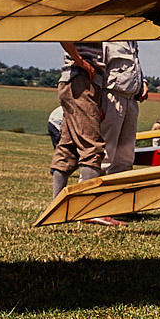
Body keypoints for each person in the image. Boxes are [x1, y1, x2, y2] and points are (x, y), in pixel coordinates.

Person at [51, 42, 110, 206]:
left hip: (80, 80)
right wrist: (80, 61)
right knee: (92, 146)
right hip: (82, 79)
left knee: (67, 147)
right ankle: (87, 208)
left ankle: (56, 206)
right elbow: (62, 33)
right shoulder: (85, 19)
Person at [100, 42, 149, 174]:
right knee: (103, 155)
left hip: (131, 100)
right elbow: (97, 69)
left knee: (125, 158)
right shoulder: (107, 37)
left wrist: (143, 81)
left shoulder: (132, 40)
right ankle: (89, 191)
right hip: (111, 97)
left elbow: (133, 63)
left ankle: (118, 193)